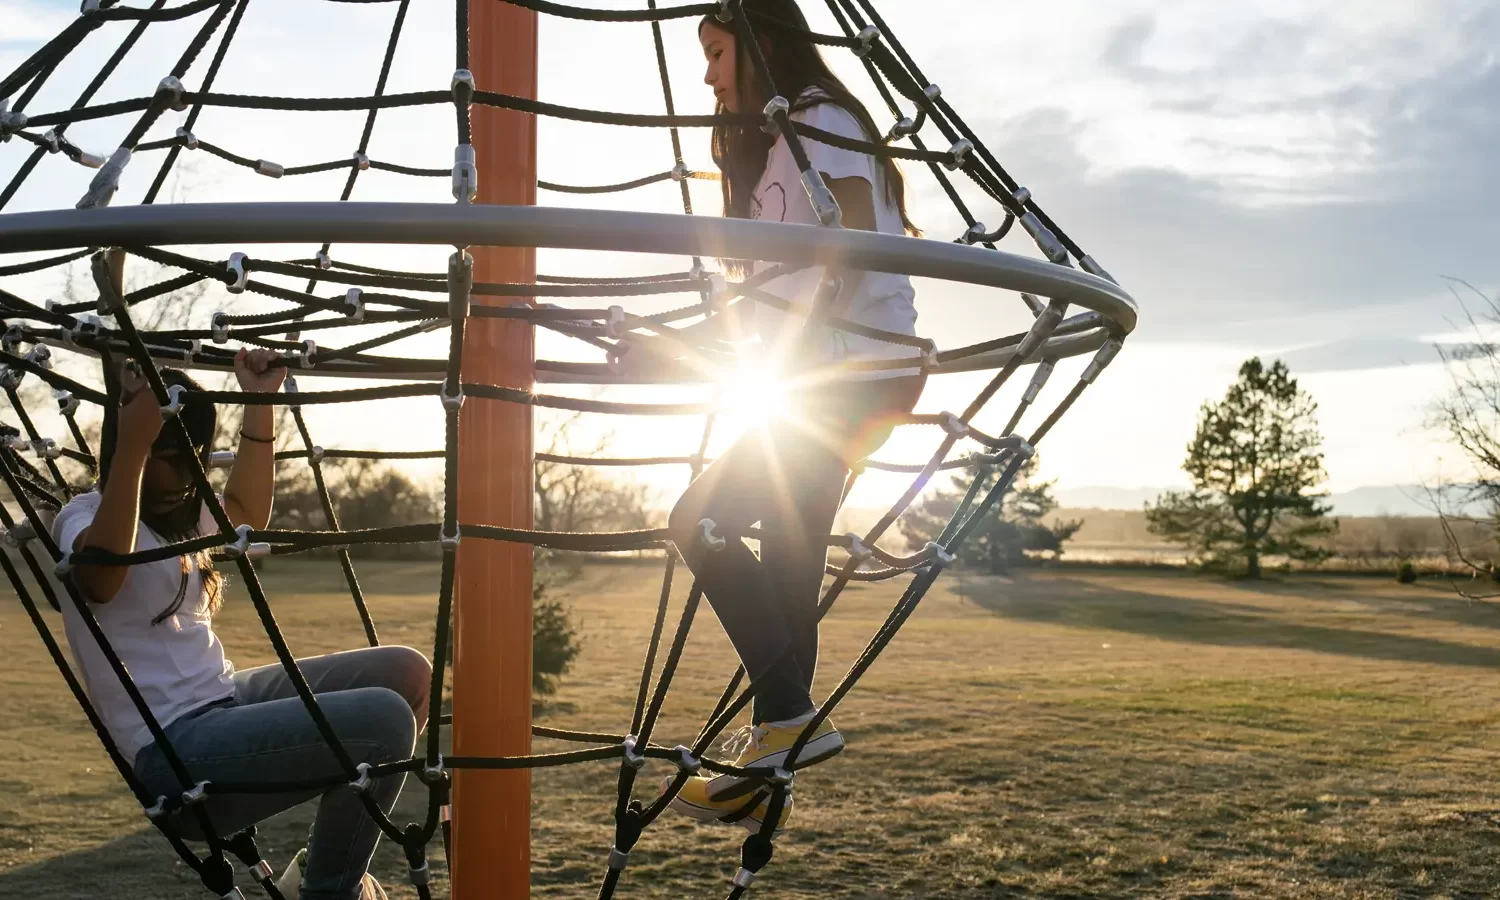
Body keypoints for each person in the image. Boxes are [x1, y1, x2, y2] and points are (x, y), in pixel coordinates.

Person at [615, 0, 926, 833]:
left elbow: (851, 229)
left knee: (700, 518)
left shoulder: (820, 117)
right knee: (789, 554)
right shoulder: (766, 169)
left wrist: (788, 338)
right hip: (829, 378)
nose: (709, 74)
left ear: (758, 44)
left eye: (718, 52)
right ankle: (770, 759)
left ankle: (786, 714)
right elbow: (753, 307)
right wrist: (665, 347)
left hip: (852, 372)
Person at [52, 351, 430, 900]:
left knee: (407, 674)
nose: (185, 475)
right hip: (176, 752)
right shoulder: (84, 515)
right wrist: (133, 445)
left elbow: (245, 509)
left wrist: (260, 398)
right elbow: (102, 578)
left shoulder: (181, 520)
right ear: (127, 447)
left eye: (194, 458)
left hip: (227, 699)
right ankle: (330, 891)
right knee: (384, 722)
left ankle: (320, 864)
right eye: (170, 456)